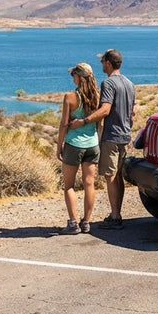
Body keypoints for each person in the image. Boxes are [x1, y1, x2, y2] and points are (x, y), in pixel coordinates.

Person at [69, 48, 135, 230]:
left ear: (108, 63)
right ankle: (116, 214)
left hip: (112, 136)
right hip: (125, 135)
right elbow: (132, 112)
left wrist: (84, 121)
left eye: (102, 61)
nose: (101, 65)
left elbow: (105, 110)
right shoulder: (129, 84)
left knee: (110, 176)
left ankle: (115, 217)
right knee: (117, 176)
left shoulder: (109, 84)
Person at [56, 62, 101, 235]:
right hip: (92, 144)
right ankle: (87, 222)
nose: (72, 78)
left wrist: (59, 146)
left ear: (79, 77)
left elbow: (63, 124)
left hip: (74, 145)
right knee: (89, 183)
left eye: (73, 75)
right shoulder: (97, 96)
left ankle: (73, 223)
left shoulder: (70, 97)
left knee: (69, 185)